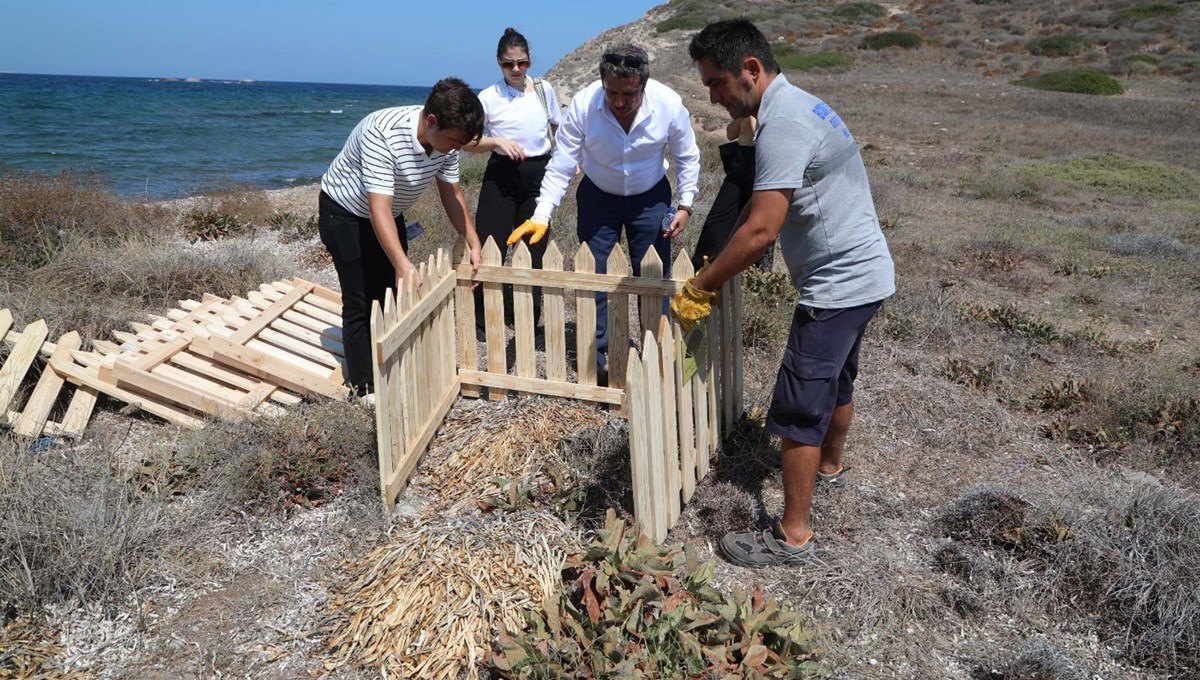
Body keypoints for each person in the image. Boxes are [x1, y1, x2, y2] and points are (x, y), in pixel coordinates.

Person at [674, 19, 895, 567]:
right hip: (867, 275)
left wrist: (702, 284)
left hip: (837, 286)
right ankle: (830, 469)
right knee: (838, 380)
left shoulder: (785, 125)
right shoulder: (799, 106)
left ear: (751, 70)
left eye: (718, 83)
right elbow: (760, 208)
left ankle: (792, 534)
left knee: (799, 406)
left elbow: (761, 231)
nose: (715, 95)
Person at [508, 44, 701, 370]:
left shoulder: (668, 103)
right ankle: (598, 362)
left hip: (650, 197)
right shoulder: (584, 105)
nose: (620, 102)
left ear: (643, 85)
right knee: (597, 278)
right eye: (612, 93)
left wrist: (685, 205)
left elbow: (687, 156)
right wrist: (541, 214)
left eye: (629, 94)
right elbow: (562, 163)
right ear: (602, 84)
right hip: (598, 196)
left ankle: (656, 357)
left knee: (653, 277)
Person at [319, 77, 485, 397]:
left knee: (391, 296)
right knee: (361, 298)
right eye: (453, 142)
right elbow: (377, 206)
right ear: (432, 121)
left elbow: (452, 193)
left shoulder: (448, 139)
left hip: (388, 213)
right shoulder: (381, 132)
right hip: (343, 214)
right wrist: (401, 262)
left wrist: (472, 240)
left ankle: (389, 367)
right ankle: (365, 389)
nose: (456, 149)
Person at [465, 28, 562, 332]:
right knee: (490, 245)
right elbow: (469, 142)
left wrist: (564, 161)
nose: (516, 69)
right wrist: (496, 142)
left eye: (522, 63)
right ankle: (483, 319)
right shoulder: (488, 97)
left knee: (533, 249)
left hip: (538, 176)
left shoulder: (545, 89)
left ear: (530, 60)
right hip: (501, 176)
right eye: (509, 64)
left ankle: (527, 320)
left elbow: (557, 128)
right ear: (499, 63)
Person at [691, 115, 763, 270]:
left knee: (755, 222)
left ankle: (756, 275)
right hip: (741, 164)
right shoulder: (748, 109)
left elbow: (756, 133)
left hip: (759, 164)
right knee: (716, 222)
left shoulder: (766, 105)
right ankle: (702, 267)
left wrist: (751, 114)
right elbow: (731, 134)